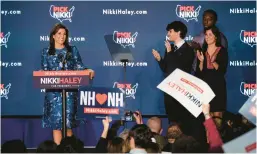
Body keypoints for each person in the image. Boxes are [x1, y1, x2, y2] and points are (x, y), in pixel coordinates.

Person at [41, 23, 95, 145]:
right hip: (53, 94)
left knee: (68, 125)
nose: (62, 36)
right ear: (53, 36)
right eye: (59, 33)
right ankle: (59, 151)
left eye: (64, 34)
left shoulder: (72, 50)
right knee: (56, 126)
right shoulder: (46, 52)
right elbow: (44, 70)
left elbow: (79, 66)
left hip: (69, 93)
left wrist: (88, 70)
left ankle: (70, 150)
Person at [152, 21, 195, 126]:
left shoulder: (188, 50)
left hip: (181, 91)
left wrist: (170, 52)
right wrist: (159, 59)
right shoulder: (169, 49)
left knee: (182, 122)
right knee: (171, 120)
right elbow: (166, 69)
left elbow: (179, 69)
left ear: (178, 32)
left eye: (170, 31)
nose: (168, 34)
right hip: (169, 91)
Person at [196, 25, 228, 119]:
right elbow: (199, 73)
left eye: (210, 34)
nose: (208, 37)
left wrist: (213, 61)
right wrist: (201, 61)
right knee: (207, 117)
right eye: (206, 34)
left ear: (216, 37)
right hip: (205, 88)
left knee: (218, 118)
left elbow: (222, 70)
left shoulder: (222, 51)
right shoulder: (202, 51)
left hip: (218, 87)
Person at [191, 9, 228, 75]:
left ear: (215, 21)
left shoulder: (221, 38)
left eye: (209, 19)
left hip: (213, 75)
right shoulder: (197, 37)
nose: (206, 22)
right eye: (204, 19)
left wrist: (200, 48)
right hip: (198, 73)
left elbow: (222, 59)